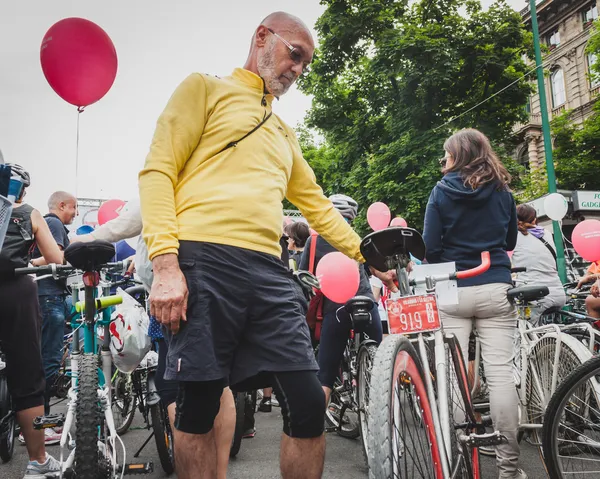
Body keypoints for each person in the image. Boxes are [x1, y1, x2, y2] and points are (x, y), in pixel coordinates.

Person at [138, 12, 392, 479]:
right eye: (295, 54)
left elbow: (316, 205)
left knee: (308, 402)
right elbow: (158, 172)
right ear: (262, 37)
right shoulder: (204, 89)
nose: (298, 69)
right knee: (197, 405)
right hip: (203, 259)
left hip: (270, 270)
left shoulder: (283, 132)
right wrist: (166, 265)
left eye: (306, 64)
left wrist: (366, 253)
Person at [71, 199, 236, 479]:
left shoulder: (164, 185)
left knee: (172, 386)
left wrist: (79, 240)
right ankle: (218, 473)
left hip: (175, 298)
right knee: (218, 384)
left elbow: (124, 224)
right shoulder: (209, 191)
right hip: (214, 291)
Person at [423, 128, 524, 479]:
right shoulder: (503, 191)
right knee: (500, 376)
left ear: (455, 156)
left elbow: (430, 248)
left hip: (454, 287)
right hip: (496, 283)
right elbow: (510, 238)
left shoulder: (441, 191)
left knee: (452, 377)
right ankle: (509, 469)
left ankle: (457, 457)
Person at [0, 164, 63, 477]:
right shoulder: (29, 213)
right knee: (28, 376)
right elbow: (57, 259)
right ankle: (38, 461)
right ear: (22, 189)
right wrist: (30, 260)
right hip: (17, 292)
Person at [299, 194, 383, 405]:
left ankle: (313, 430)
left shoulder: (314, 240)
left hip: (336, 308)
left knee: (325, 374)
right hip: (365, 303)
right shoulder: (357, 239)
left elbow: (303, 275)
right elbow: (374, 268)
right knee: (382, 363)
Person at [30, 190, 77, 440]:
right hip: (50, 298)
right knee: (48, 361)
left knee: (47, 359)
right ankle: (43, 426)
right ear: (62, 205)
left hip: (49, 297)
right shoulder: (54, 222)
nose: (76, 213)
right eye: (73, 207)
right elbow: (56, 258)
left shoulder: (48, 223)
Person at [511, 204, 566, 324]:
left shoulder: (513, 236)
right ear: (535, 219)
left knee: (524, 333)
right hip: (558, 293)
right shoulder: (545, 233)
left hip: (534, 295)